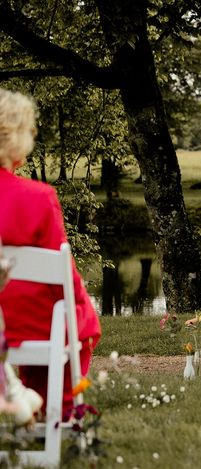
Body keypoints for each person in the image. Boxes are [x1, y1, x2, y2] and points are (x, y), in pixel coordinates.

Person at [0, 88, 101, 415]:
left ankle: (25, 399)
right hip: (27, 324)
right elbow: (64, 280)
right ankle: (58, 406)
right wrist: (82, 305)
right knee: (80, 317)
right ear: (16, 139)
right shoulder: (37, 196)